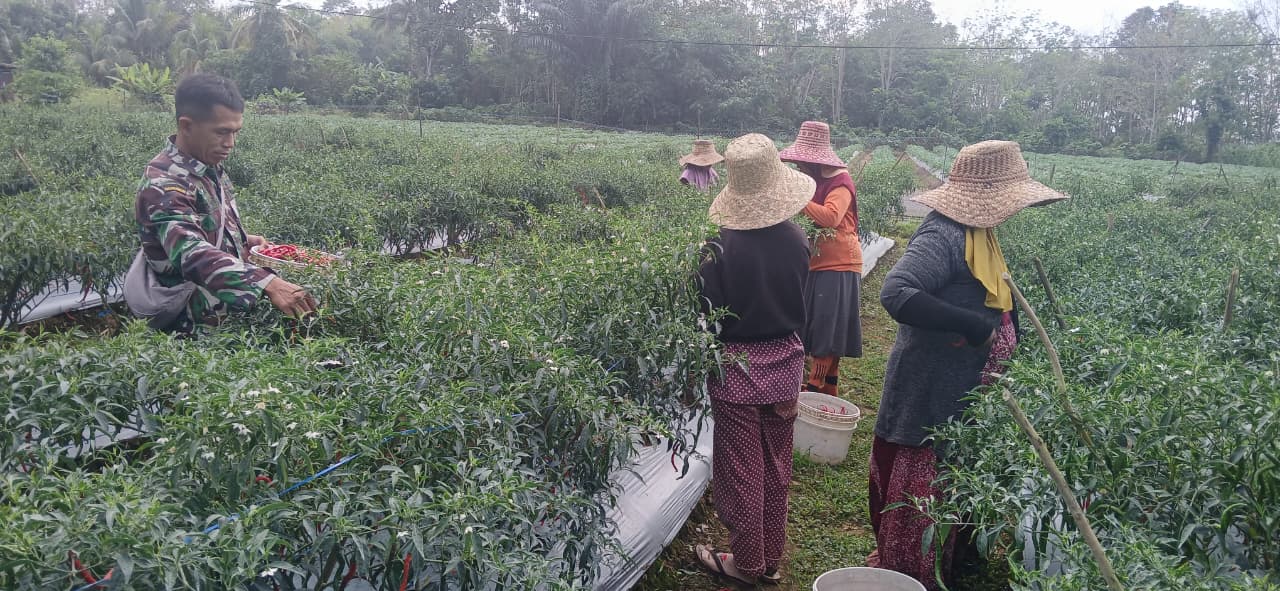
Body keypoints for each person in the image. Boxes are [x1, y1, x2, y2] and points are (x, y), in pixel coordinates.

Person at [868, 140, 1069, 588]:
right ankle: (908, 574)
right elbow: (897, 293)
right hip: (932, 392)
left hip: (960, 390)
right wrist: (976, 327)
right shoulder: (946, 234)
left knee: (951, 481)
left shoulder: (980, 235)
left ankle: (944, 568)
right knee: (922, 491)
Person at [694, 133, 814, 585]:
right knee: (776, 465)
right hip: (785, 364)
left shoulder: (719, 246)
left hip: (737, 371)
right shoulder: (797, 238)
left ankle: (745, 564)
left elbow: (709, 314)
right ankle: (769, 558)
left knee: (742, 470)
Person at [125, 73, 315, 333]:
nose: (230, 143)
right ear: (187, 126)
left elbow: (202, 225)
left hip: (224, 317)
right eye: (222, 132)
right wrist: (266, 282)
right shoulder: (164, 183)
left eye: (236, 132)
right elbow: (190, 252)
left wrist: (242, 239)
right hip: (190, 329)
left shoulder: (208, 166)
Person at [779, 121, 862, 397]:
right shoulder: (816, 180)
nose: (801, 167)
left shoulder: (840, 182)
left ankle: (814, 393)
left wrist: (798, 198)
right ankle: (826, 392)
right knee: (818, 326)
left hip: (838, 264)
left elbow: (830, 217)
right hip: (818, 262)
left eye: (804, 162)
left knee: (826, 331)